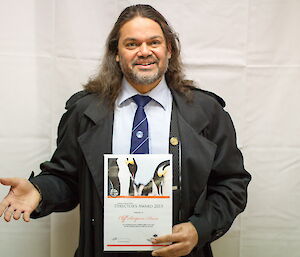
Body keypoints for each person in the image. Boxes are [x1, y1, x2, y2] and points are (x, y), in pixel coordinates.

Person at [0, 4, 251, 257]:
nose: (144, 52)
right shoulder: (85, 111)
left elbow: (231, 183)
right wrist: (39, 190)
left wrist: (200, 229)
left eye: (154, 42)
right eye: (132, 44)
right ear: (116, 54)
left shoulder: (206, 113)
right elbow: (66, 178)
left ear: (169, 50)